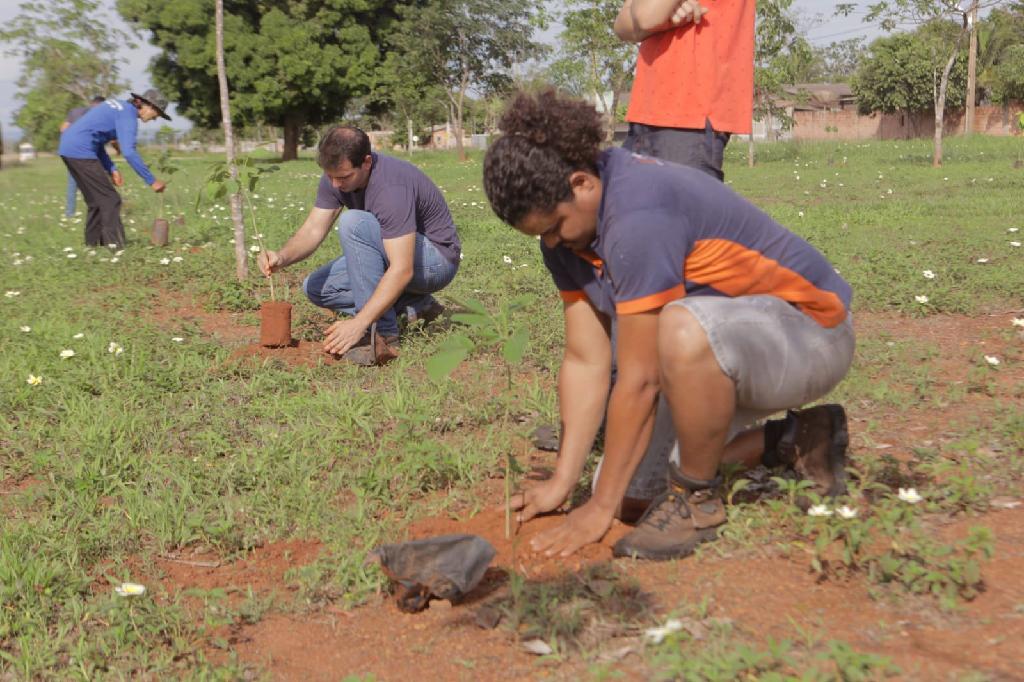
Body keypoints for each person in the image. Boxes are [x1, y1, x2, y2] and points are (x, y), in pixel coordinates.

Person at [483, 90, 855, 560]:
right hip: (726, 347)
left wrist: (597, 511)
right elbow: (585, 360)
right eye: (541, 234)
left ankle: (695, 500)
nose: (552, 242)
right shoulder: (568, 238)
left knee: (680, 329)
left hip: (810, 333)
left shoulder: (637, 213)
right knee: (631, 495)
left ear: (581, 183)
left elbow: (641, 380)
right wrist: (564, 482)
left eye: (555, 226)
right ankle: (793, 438)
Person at [258, 126, 460, 366]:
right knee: (317, 287)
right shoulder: (336, 176)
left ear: (366, 162)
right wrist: (281, 257)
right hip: (394, 252)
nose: (335, 184)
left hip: (434, 263)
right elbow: (313, 230)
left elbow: (402, 268)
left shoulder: (391, 187)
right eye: (330, 176)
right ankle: (418, 306)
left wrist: (360, 323)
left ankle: (381, 335)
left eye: (343, 177)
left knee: (354, 223)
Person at [614, 0, 754, 180]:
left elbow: (645, 16)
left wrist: (655, 18)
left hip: (690, 117)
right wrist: (665, 20)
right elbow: (622, 26)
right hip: (646, 111)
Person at [58, 90, 170, 247]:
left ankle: (92, 245)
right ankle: (116, 247)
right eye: (157, 113)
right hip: (81, 151)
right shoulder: (128, 115)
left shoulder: (118, 107)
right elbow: (129, 152)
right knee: (111, 200)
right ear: (148, 105)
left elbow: (96, 141)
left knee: (96, 201)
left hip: (67, 148)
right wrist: (151, 180)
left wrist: (111, 168)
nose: (156, 118)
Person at [60, 96, 105, 218]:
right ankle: (98, 210)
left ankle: (70, 213)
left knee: (73, 183)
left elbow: (63, 129)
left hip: (70, 152)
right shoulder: (98, 116)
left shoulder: (75, 111)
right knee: (96, 183)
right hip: (88, 153)